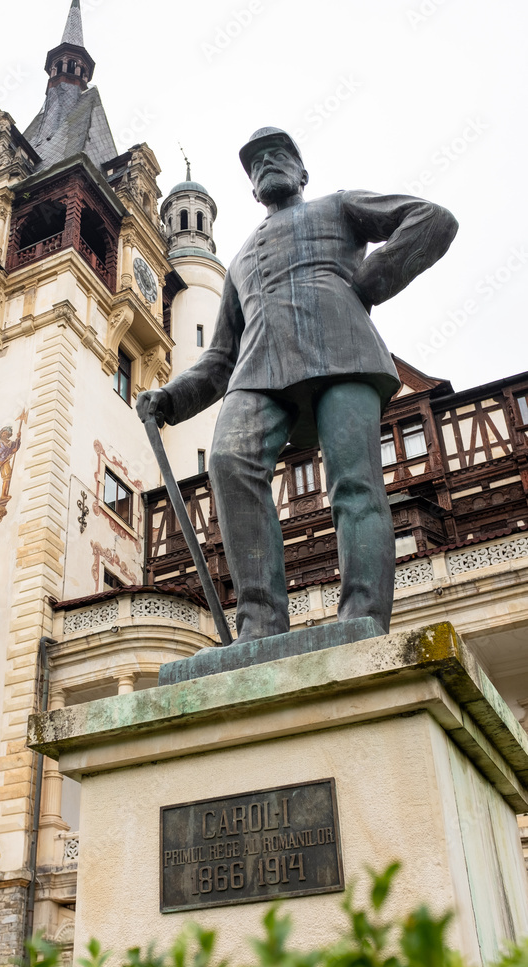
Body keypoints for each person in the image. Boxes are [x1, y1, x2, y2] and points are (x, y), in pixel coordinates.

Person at [138, 127, 458, 643]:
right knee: (228, 461)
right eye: (255, 163)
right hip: (258, 372)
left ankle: (363, 616)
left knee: (354, 483)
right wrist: (171, 398)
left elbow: (432, 219)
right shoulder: (239, 260)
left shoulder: (339, 206)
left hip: (343, 352)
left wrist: (374, 278)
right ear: (250, 187)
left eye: (277, 156)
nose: (266, 165)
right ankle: (260, 624)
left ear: (302, 171)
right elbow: (220, 358)